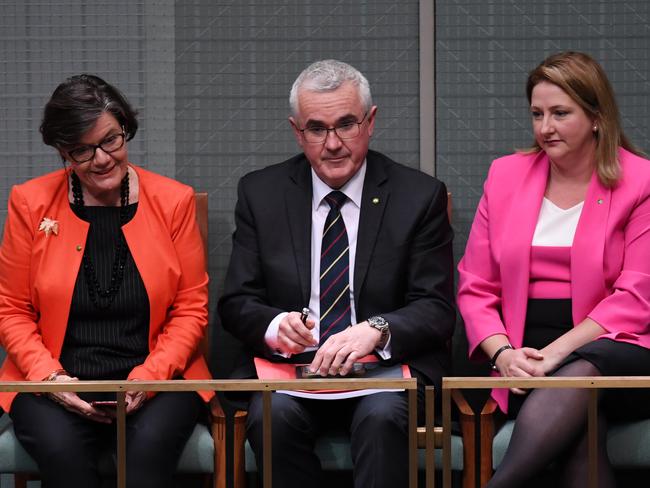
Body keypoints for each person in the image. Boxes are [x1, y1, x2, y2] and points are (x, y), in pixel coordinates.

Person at [218, 59, 454, 487]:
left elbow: (436, 308)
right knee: (273, 418)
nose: (333, 144)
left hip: (385, 370)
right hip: (292, 372)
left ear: (370, 122)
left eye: (346, 124)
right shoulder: (261, 193)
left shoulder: (418, 196)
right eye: (317, 129)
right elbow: (237, 302)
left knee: (383, 416)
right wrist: (276, 326)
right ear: (297, 130)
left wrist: (377, 330)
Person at [0, 74, 213, 488]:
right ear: (63, 151)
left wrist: (148, 379)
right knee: (62, 451)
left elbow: (190, 308)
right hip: (55, 379)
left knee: (149, 453)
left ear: (125, 130)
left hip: (159, 378)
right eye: (82, 149)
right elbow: (12, 310)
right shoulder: (30, 203)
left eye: (111, 140)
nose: (101, 159)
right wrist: (52, 380)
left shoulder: (173, 201)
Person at [457, 51, 650, 487]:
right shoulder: (505, 176)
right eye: (537, 114)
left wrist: (557, 355)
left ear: (597, 117)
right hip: (521, 354)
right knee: (582, 431)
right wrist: (505, 354)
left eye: (560, 113)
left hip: (617, 346)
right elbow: (475, 286)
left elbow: (636, 298)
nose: (545, 128)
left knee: (577, 379)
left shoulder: (640, 181)